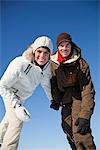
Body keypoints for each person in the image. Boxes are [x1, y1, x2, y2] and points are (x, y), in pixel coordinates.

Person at [0, 36, 53, 150]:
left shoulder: (45, 69)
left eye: (46, 53)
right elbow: (2, 85)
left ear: (50, 54)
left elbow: (46, 85)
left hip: (22, 97)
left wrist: (52, 99)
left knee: (8, 120)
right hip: (10, 92)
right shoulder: (20, 63)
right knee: (17, 121)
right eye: (39, 51)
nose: (42, 56)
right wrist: (16, 105)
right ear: (34, 51)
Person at [50, 32, 96, 150]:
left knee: (80, 132)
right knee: (68, 130)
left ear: (71, 45)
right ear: (57, 47)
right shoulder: (53, 64)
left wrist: (85, 115)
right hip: (65, 102)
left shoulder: (81, 64)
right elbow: (52, 83)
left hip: (78, 99)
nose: (64, 48)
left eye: (67, 45)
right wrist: (56, 100)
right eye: (61, 45)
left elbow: (87, 90)